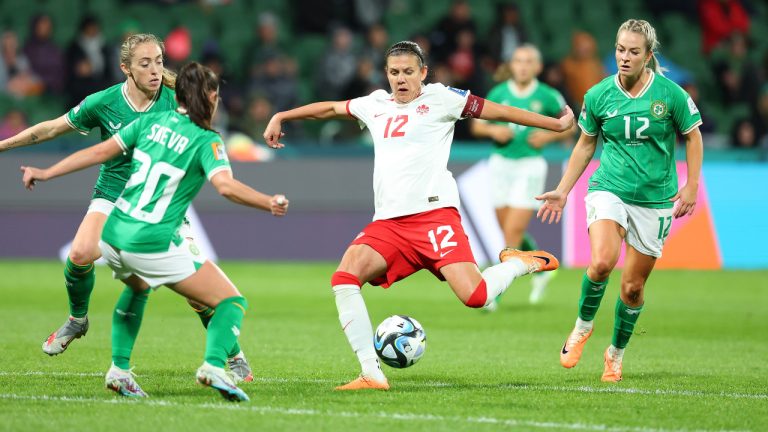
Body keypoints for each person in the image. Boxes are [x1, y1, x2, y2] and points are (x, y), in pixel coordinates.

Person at [263, 41, 573, 390]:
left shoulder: (442, 98)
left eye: (408, 71)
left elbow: (497, 112)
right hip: (389, 223)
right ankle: (371, 373)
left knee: (476, 297)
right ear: (386, 75)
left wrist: (553, 125)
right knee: (344, 278)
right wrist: (283, 115)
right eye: (394, 72)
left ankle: (520, 262)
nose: (401, 79)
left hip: (434, 216)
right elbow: (331, 109)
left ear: (423, 73)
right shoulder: (375, 104)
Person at [20, 62, 289, 401]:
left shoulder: (149, 121)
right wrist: (269, 201)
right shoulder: (208, 140)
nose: (218, 102)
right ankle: (215, 365)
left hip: (115, 234)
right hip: (152, 240)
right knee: (232, 301)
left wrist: (45, 173)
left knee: (137, 287)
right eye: (216, 95)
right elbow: (225, 187)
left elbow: (98, 152)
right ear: (206, 98)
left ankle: (119, 371)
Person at [536, 19, 703, 382]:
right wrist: (563, 190)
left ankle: (615, 353)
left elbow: (693, 136)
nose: (624, 57)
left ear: (648, 56)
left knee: (632, 287)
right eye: (620, 49)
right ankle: (582, 327)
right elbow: (585, 144)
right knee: (601, 262)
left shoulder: (670, 94)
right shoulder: (598, 95)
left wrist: (691, 186)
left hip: (655, 200)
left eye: (633, 52)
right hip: (608, 188)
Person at [471, 44, 574, 307]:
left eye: (529, 61)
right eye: (518, 60)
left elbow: (569, 125)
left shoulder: (549, 95)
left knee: (512, 233)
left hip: (529, 166)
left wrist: (549, 135)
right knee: (507, 228)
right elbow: (477, 125)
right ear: (511, 65)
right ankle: (538, 263)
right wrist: (493, 132)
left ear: (537, 67)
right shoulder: (499, 92)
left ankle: (493, 292)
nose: (523, 65)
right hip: (500, 164)